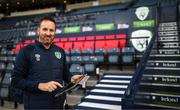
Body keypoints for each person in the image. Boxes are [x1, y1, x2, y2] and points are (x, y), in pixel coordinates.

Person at [11, 16, 82, 109]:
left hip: (58, 104)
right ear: (38, 31)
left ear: (55, 32)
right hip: (36, 105)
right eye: (45, 29)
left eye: (51, 30)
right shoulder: (26, 51)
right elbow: (16, 80)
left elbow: (65, 74)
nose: (48, 33)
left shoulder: (60, 51)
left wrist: (72, 79)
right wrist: (40, 86)